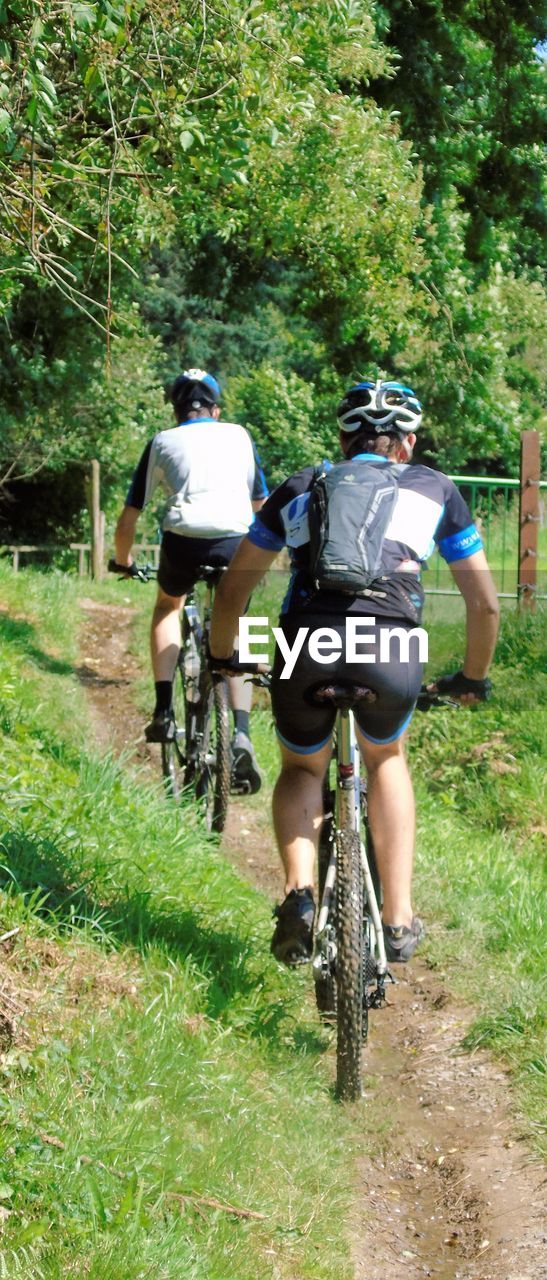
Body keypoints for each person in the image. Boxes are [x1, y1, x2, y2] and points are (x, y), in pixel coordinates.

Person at [208, 378, 499, 963]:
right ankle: (397, 919)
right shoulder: (437, 489)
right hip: (391, 646)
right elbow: (485, 604)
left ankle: (299, 895)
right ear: (408, 442)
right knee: (386, 756)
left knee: (300, 767)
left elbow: (235, 589)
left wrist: (224, 653)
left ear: (344, 439)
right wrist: (472, 676)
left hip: (302, 644)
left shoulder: (298, 486)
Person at [112, 368, 268, 793]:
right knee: (244, 622)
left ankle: (163, 709)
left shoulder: (163, 441)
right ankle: (241, 732)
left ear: (178, 411)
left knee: (168, 606)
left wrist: (122, 562)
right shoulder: (239, 436)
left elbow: (130, 518)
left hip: (183, 542)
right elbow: (262, 505)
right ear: (215, 410)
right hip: (237, 543)